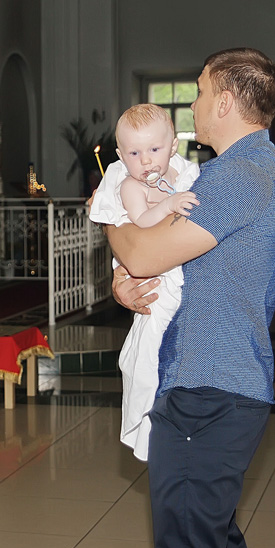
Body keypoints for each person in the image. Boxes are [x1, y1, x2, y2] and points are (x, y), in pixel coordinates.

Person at [104, 47, 275, 548]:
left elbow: (143, 252)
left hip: (209, 390)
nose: (193, 104)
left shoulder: (240, 175)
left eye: (201, 92)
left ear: (226, 102)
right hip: (216, 384)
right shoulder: (242, 169)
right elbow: (163, 262)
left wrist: (109, 208)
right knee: (212, 547)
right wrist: (125, 283)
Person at [89, 104, 199, 461]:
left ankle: (162, 418)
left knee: (167, 347)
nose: (146, 161)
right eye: (134, 153)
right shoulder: (130, 185)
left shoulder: (186, 174)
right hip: (153, 275)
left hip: (178, 272)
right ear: (121, 156)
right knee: (150, 350)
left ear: (173, 147)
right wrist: (168, 205)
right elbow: (141, 220)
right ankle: (146, 422)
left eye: (154, 149)